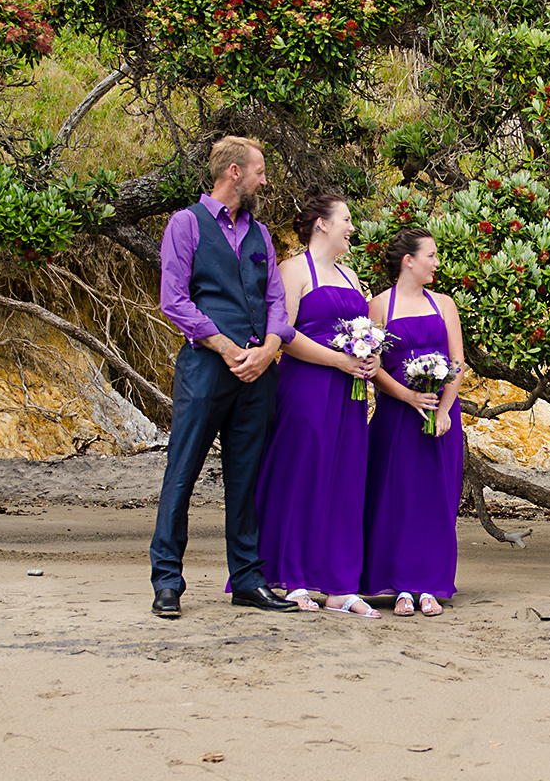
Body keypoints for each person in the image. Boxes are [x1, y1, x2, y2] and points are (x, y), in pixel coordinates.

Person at [150, 136, 299, 617]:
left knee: (246, 476)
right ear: (234, 172)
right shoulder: (186, 224)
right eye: (259, 170)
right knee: (182, 471)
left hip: (258, 374)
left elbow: (277, 301)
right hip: (206, 367)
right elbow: (174, 299)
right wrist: (227, 346)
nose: (264, 179)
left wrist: (269, 350)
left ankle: (248, 579)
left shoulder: (261, 235)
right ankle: (167, 580)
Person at [250, 194, 382, 618]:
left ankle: (339, 584)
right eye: (346, 219)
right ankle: (291, 576)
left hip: (351, 393)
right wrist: (340, 361)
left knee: (345, 478)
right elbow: (284, 331)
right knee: (303, 474)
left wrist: (370, 357)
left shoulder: (350, 274)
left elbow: (365, 328)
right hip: (307, 386)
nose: (352, 227)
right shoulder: (293, 269)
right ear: (321, 224)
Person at [360, 228, 464, 617]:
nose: (437, 263)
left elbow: (457, 363)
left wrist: (442, 410)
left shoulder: (445, 304)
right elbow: (371, 365)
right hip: (397, 415)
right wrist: (406, 395)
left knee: (436, 499)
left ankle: (429, 585)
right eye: (432, 255)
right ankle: (401, 585)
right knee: (397, 497)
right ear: (409, 261)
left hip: (441, 415)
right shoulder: (379, 306)